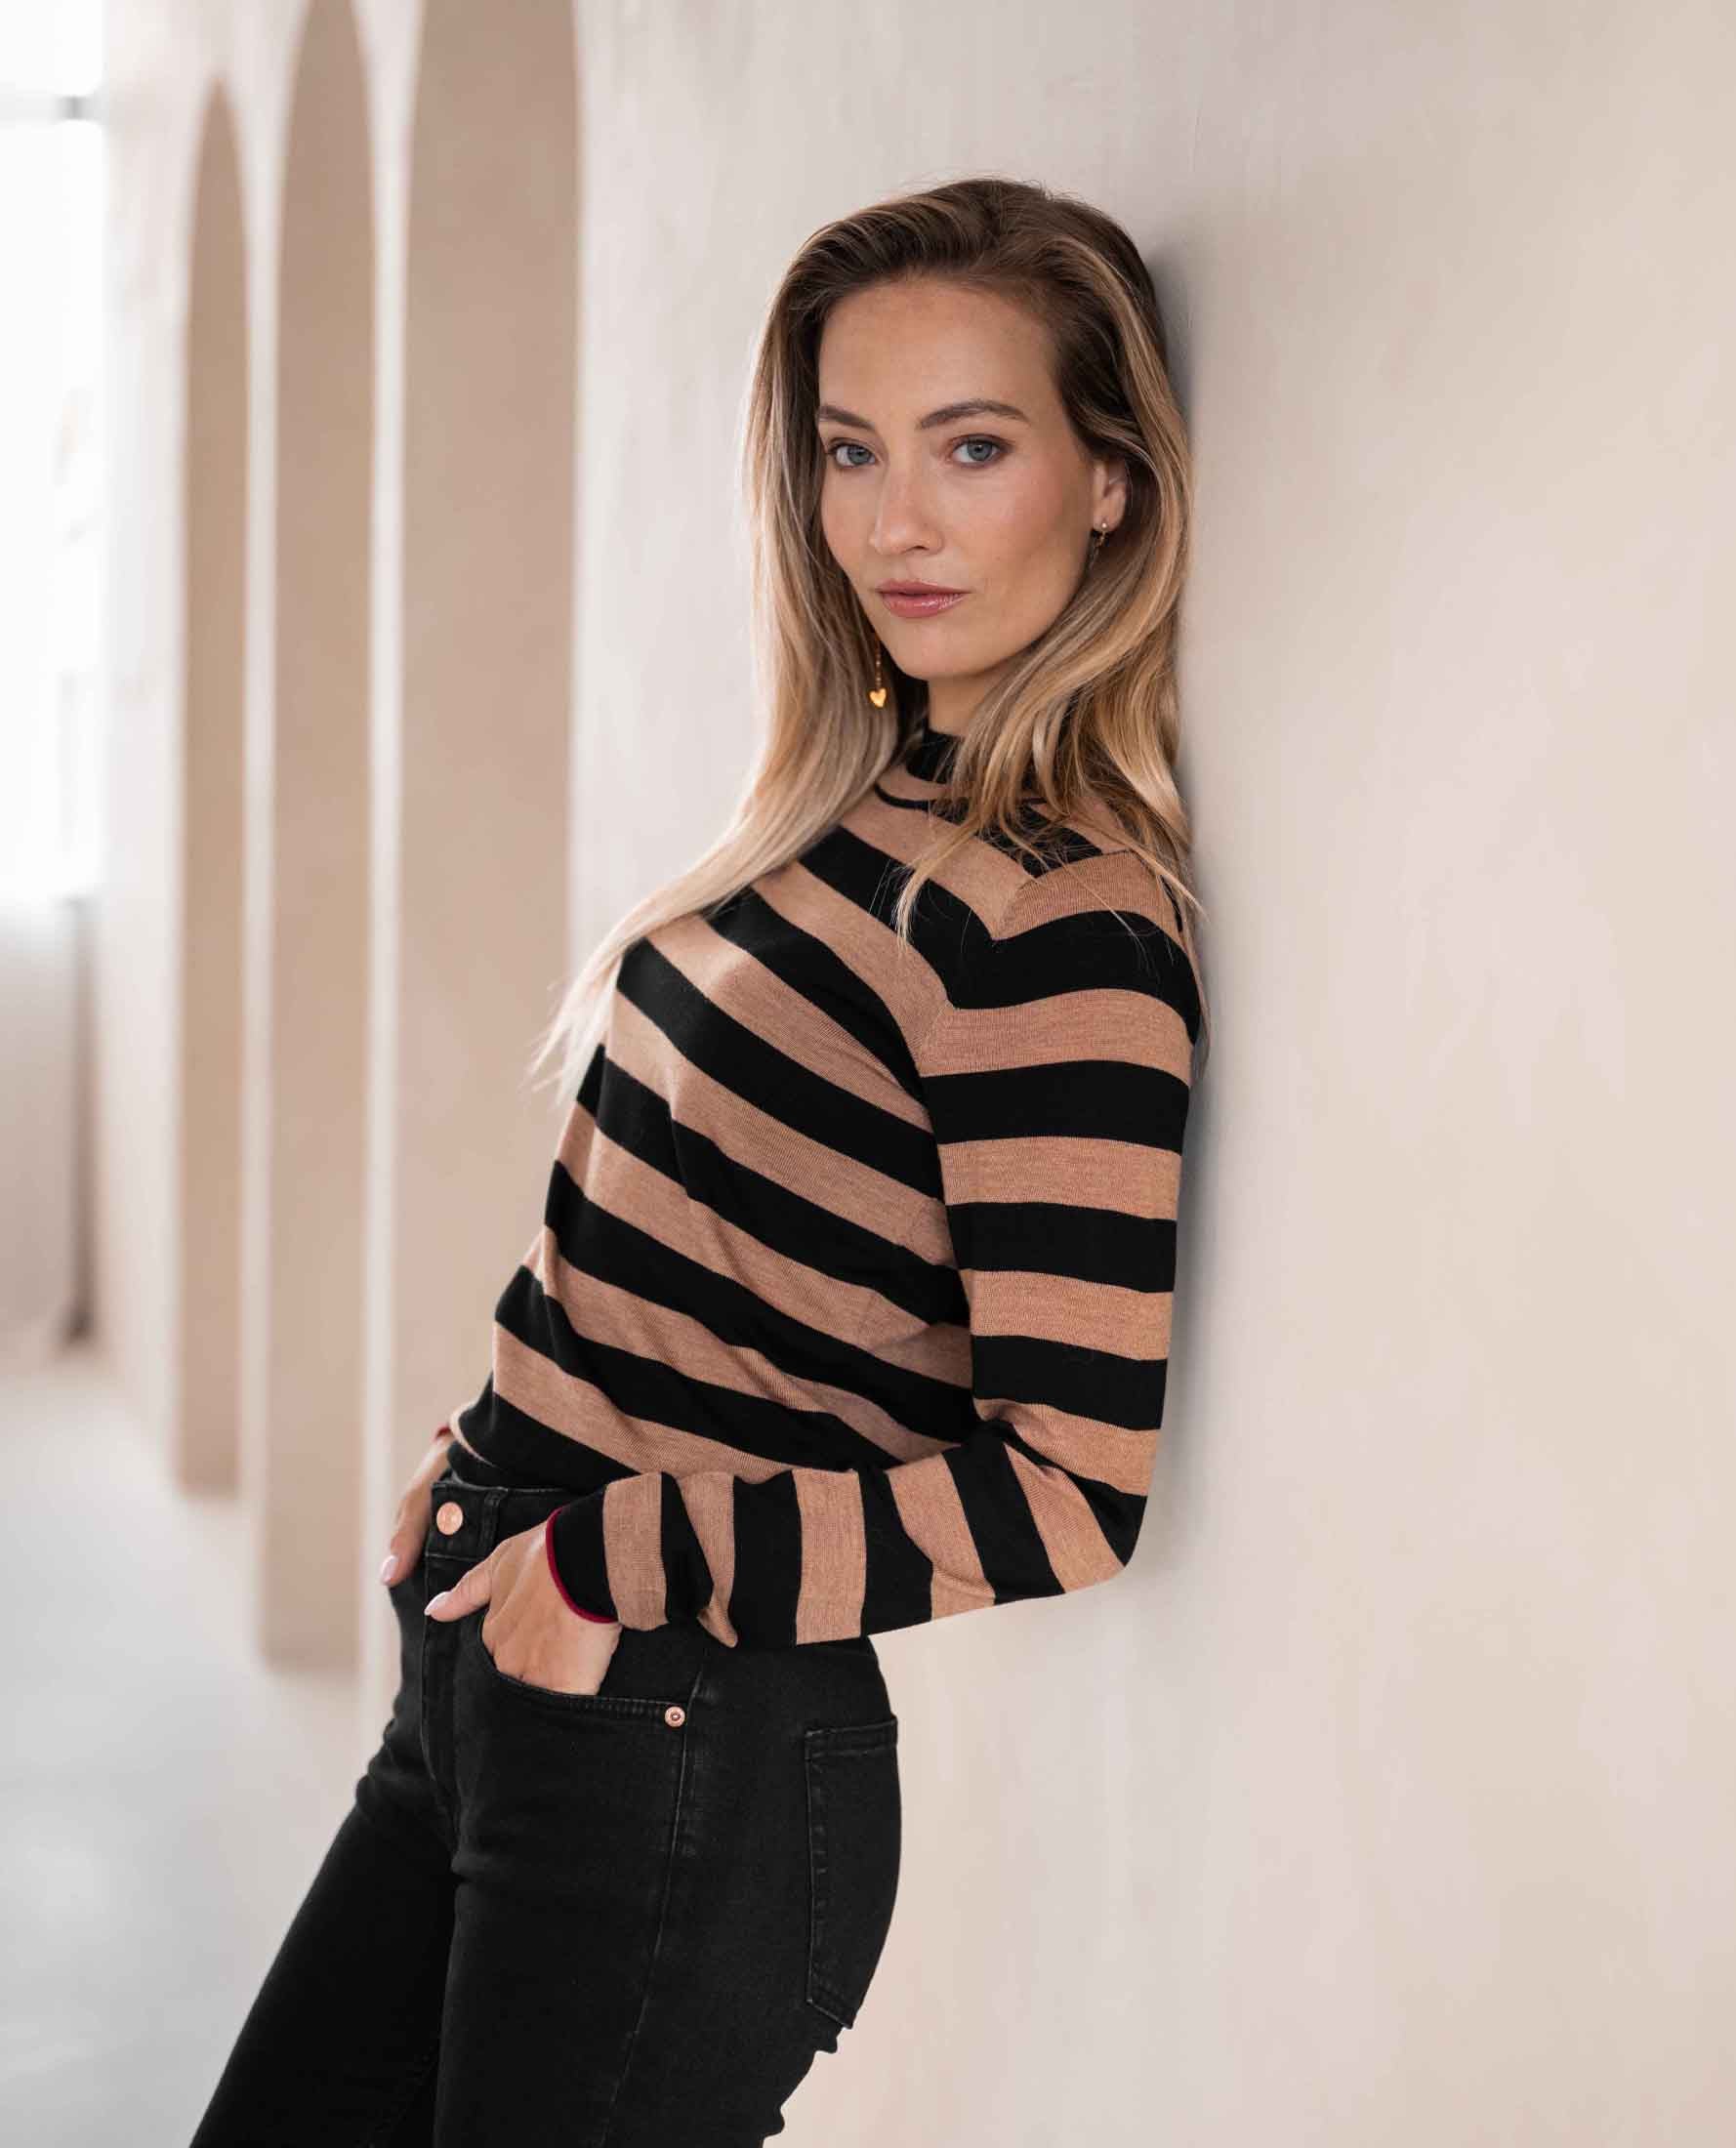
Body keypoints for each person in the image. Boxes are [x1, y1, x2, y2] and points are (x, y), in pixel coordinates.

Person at [189, 171, 1208, 2147]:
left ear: (1109, 481)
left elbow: (1074, 1489)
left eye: (971, 446)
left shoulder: (1058, 920)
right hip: (504, 1673)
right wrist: (482, 1442)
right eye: (851, 450)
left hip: (685, 1739)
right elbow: (655, 1222)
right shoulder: (844, 811)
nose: (893, 519)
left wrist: (606, 1545)